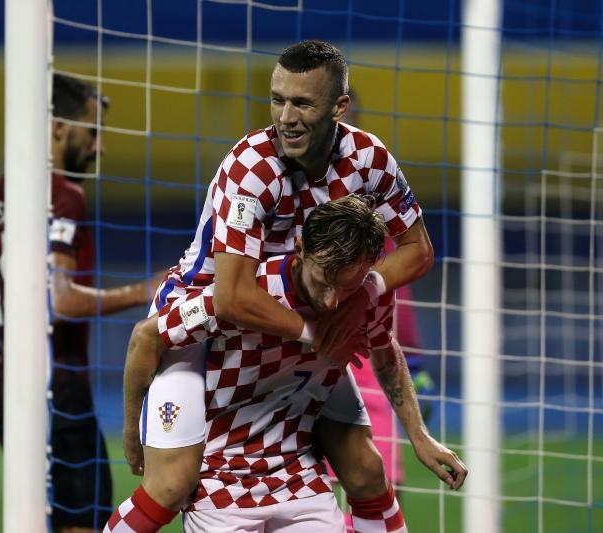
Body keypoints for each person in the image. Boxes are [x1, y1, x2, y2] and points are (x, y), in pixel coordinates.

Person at [109, 39, 436, 527]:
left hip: (299, 313)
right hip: (204, 320)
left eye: (302, 103)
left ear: (339, 107)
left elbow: (418, 250)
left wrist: (358, 298)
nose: (287, 117)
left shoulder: (369, 159)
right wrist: (317, 333)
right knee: (173, 483)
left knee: (366, 471)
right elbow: (232, 297)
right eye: (277, 100)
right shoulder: (252, 168)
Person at [107, 197, 466, 532]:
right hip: (221, 472)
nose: (332, 303)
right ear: (300, 249)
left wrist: (420, 437)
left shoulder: (367, 295)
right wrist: (132, 434)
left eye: (346, 288)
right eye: (323, 282)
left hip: (299, 471)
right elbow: (145, 336)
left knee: (368, 468)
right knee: (168, 487)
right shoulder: (244, 294)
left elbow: (386, 355)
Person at [0, 74, 160, 533]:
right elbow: (60, 298)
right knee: (80, 523)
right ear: (59, 129)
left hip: (5, 383)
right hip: (56, 384)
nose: (100, 147)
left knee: (31, 517)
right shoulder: (62, 195)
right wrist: (143, 290)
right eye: (92, 132)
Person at [332, 88, 436, 493]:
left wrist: (414, 360)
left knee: (383, 486)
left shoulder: (375, 190)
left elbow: (396, 289)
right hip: (302, 350)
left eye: (350, 116)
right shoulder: (281, 184)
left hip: (367, 354)